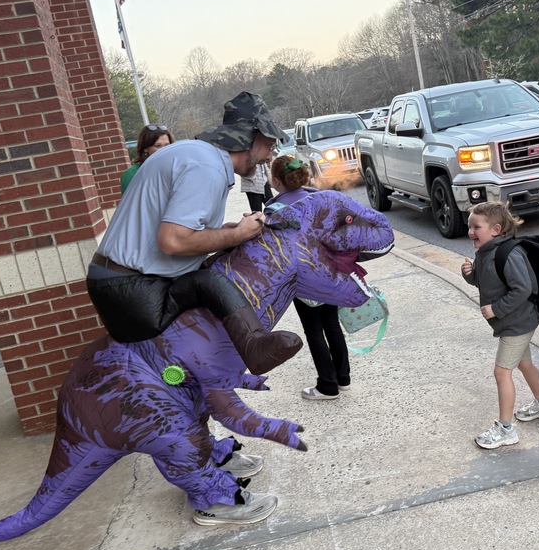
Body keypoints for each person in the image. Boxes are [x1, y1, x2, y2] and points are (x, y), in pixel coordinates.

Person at [87, 91, 303, 380]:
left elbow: (178, 232)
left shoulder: (197, 156)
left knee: (210, 276)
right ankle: (253, 346)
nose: (269, 156)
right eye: (268, 145)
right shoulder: (206, 167)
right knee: (209, 280)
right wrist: (236, 236)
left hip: (125, 282)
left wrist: (223, 233)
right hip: (133, 291)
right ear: (249, 137)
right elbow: (173, 241)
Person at [461, 201, 539, 450]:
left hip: (518, 322)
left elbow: (522, 288)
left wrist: (496, 309)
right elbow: (487, 282)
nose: (470, 232)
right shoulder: (486, 252)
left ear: (496, 229)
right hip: (513, 322)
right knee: (524, 363)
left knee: (502, 372)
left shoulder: (509, 253)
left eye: (476, 227)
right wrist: (469, 274)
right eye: (469, 226)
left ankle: (506, 429)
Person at [267, 154, 352, 401]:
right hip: (330, 270)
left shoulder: (276, 209)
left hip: (302, 278)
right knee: (332, 323)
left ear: (276, 180)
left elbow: (277, 248)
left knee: (314, 329)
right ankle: (343, 377)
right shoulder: (318, 197)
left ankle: (328, 385)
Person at [120, 124, 171, 194]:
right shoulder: (132, 174)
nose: (164, 150)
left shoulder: (176, 169)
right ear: (145, 148)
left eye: (167, 145)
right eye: (158, 146)